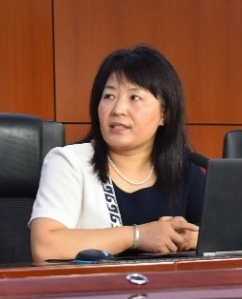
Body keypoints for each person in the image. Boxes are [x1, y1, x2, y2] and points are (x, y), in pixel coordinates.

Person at [30, 44, 205, 263]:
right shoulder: (70, 162)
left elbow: (226, 243)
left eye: (134, 97)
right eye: (109, 96)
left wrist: (197, 239)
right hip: (94, 286)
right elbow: (45, 246)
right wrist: (138, 236)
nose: (118, 109)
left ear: (164, 114)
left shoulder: (185, 171)